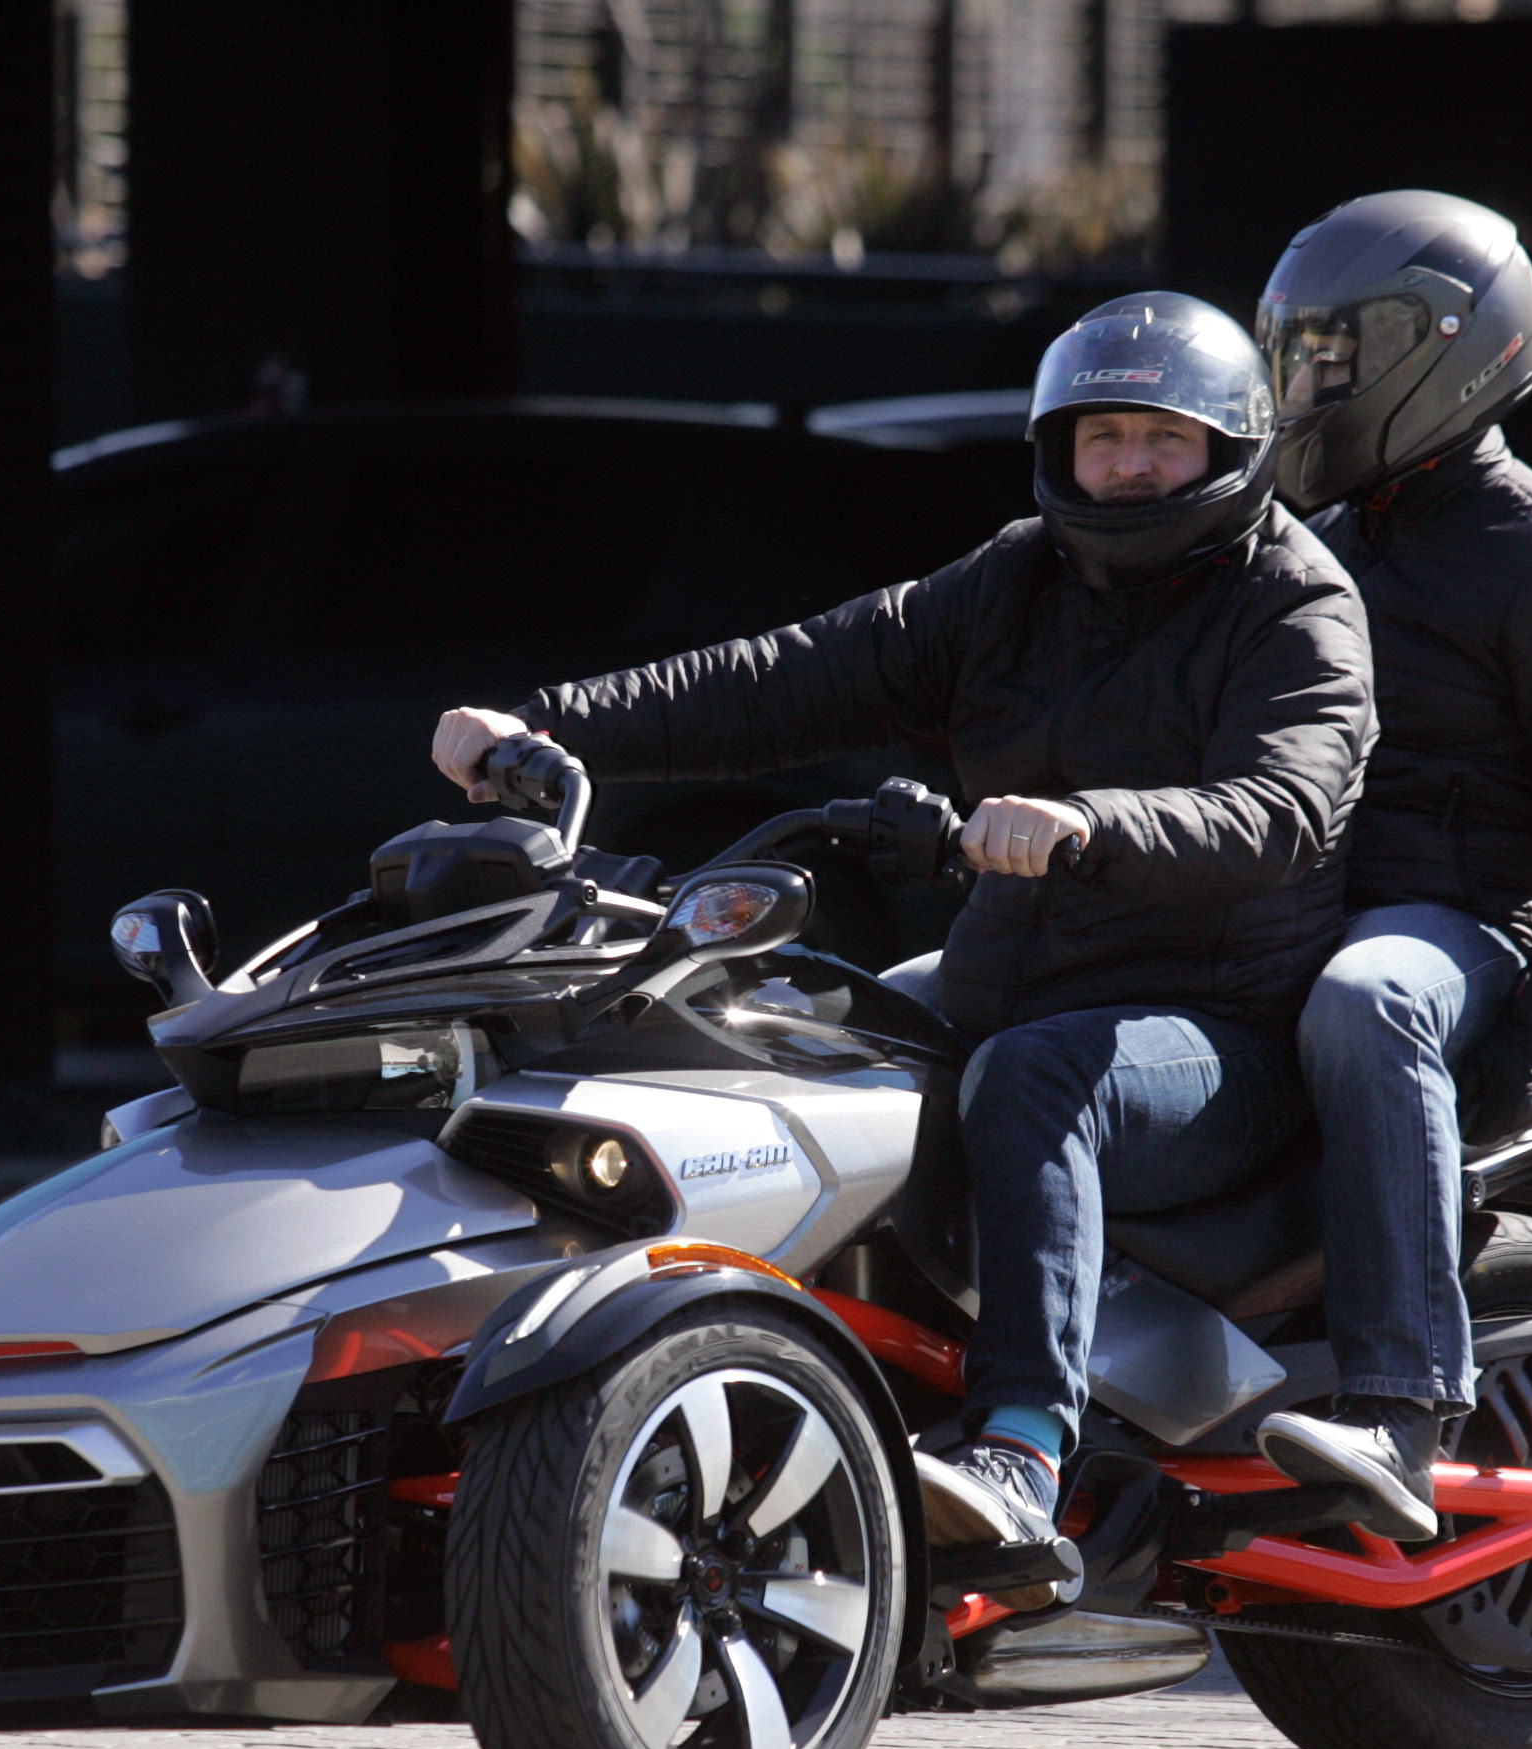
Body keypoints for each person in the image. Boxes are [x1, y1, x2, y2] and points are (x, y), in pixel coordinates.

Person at [431, 292, 1373, 1590]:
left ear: (1231, 451)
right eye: (1104, 437)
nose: (1130, 467)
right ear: (1060, 449)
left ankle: (1025, 1447)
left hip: (1223, 1031)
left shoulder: (1294, 601)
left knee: (1031, 1079)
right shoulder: (1017, 579)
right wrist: (547, 726)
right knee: (801, 1032)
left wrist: (1087, 825)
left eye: (1165, 440)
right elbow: (793, 674)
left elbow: (1281, 808)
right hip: (1023, 977)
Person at [1242, 190, 1532, 1538]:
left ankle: (1398, 1405)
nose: (1311, 387)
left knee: (1367, 998)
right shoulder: (1313, 543)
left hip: (1461, 925)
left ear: (1449, 348)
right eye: (1300, 357)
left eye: (1341, 357)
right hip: (1299, 908)